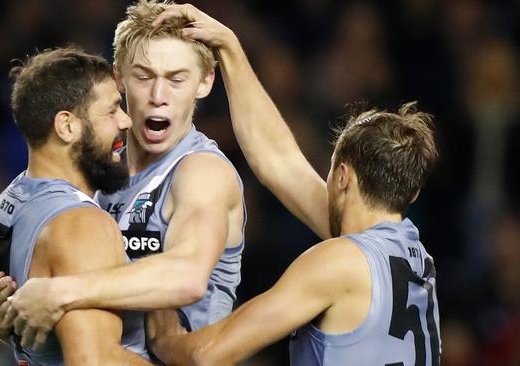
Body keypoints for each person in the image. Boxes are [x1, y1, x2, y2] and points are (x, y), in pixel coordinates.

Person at [144, 4, 441, 365]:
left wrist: (163, 337)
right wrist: (231, 48)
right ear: (412, 191)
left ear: (343, 177)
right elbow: (279, 161)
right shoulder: (413, 256)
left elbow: (207, 355)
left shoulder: (338, 261)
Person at [0, 0, 246, 359]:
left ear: (205, 82)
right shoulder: (94, 171)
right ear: (119, 77)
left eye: (176, 79)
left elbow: (188, 277)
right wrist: (9, 319)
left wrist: (59, 291)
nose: (157, 97)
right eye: (144, 76)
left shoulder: (201, 172)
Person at [0, 46, 151, 366]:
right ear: (67, 126)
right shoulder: (82, 224)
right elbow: (93, 362)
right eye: (113, 109)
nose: (127, 121)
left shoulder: (7, 203)